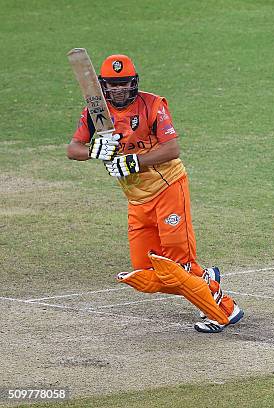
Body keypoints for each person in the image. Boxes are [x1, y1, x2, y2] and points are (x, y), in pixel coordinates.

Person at [67, 54, 244, 331]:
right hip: (136, 200)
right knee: (147, 273)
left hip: (168, 188)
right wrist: (92, 150)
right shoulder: (95, 112)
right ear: (103, 86)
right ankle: (205, 280)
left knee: (178, 264)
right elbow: (72, 149)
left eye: (124, 83)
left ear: (134, 82)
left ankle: (224, 309)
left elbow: (172, 148)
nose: (119, 90)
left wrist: (134, 161)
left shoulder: (152, 105)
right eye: (113, 85)